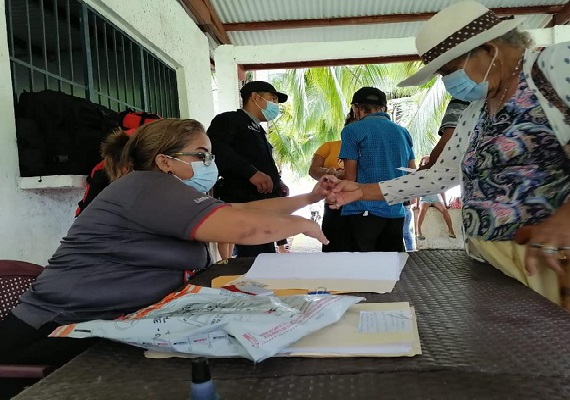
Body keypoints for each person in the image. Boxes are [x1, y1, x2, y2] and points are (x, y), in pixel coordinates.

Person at [327, 1, 570, 342]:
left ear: (488, 50)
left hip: (557, 264)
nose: (449, 83)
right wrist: (362, 190)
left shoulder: (560, 64)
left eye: (448, 70)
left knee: (567, 363)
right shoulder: (478, 110)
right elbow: (440, 174)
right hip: (494, 264)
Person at [0, 119, 330, 366]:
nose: (210, 165)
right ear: (165, 161)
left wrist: (310, 197)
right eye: (201, 155)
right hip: (53, 334)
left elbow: (239, 211)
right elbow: (242, 228)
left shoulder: (166, 191)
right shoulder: (145, 186)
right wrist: (300, 224)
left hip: (107, 325)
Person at [207, 81, 291, 258]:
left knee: (264, 254)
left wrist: (278, 183)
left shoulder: (258, 129)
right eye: (272, 99)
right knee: (252, 258)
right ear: (255, 97)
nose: (275, 105)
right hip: (244, 200)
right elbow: (217, 149)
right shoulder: (229, 120)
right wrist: (250, 172)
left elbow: (262, 161)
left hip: (263, 203)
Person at [337, 87, 416, 252]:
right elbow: (412, 172)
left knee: (363, 271)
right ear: (384, 108)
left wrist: (333, 175)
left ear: (356, 108)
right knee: (391, 269)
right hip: (396, 212)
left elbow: (350, 178)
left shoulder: (352, 130)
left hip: (363, 211)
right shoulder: (403, 132)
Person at [308, 111, 353, 252]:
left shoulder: (369, 149)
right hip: (333, 205)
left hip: (360, 206)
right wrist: (330, 173)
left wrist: (342, 175)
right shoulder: (329, 146)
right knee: (332, 246)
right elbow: (313, 170)